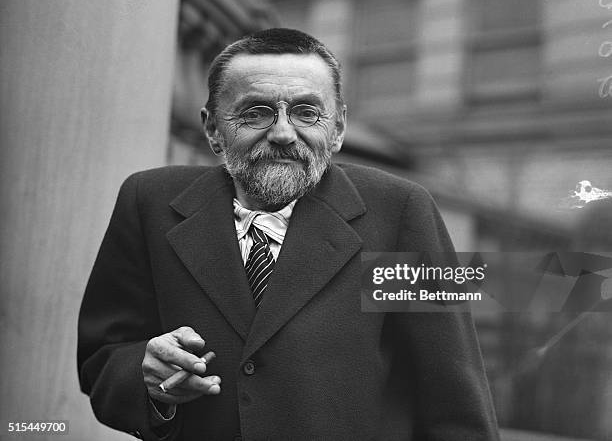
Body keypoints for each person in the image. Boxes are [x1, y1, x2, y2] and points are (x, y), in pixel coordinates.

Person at [78, 28, 499, 440]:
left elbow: (455, 401)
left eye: (307, 112)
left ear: (337, 129)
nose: (282, 133)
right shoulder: (148, 200)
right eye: (255, 112)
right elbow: (102, 358)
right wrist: (147, 380)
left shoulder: (401, 210)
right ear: (212, 130)